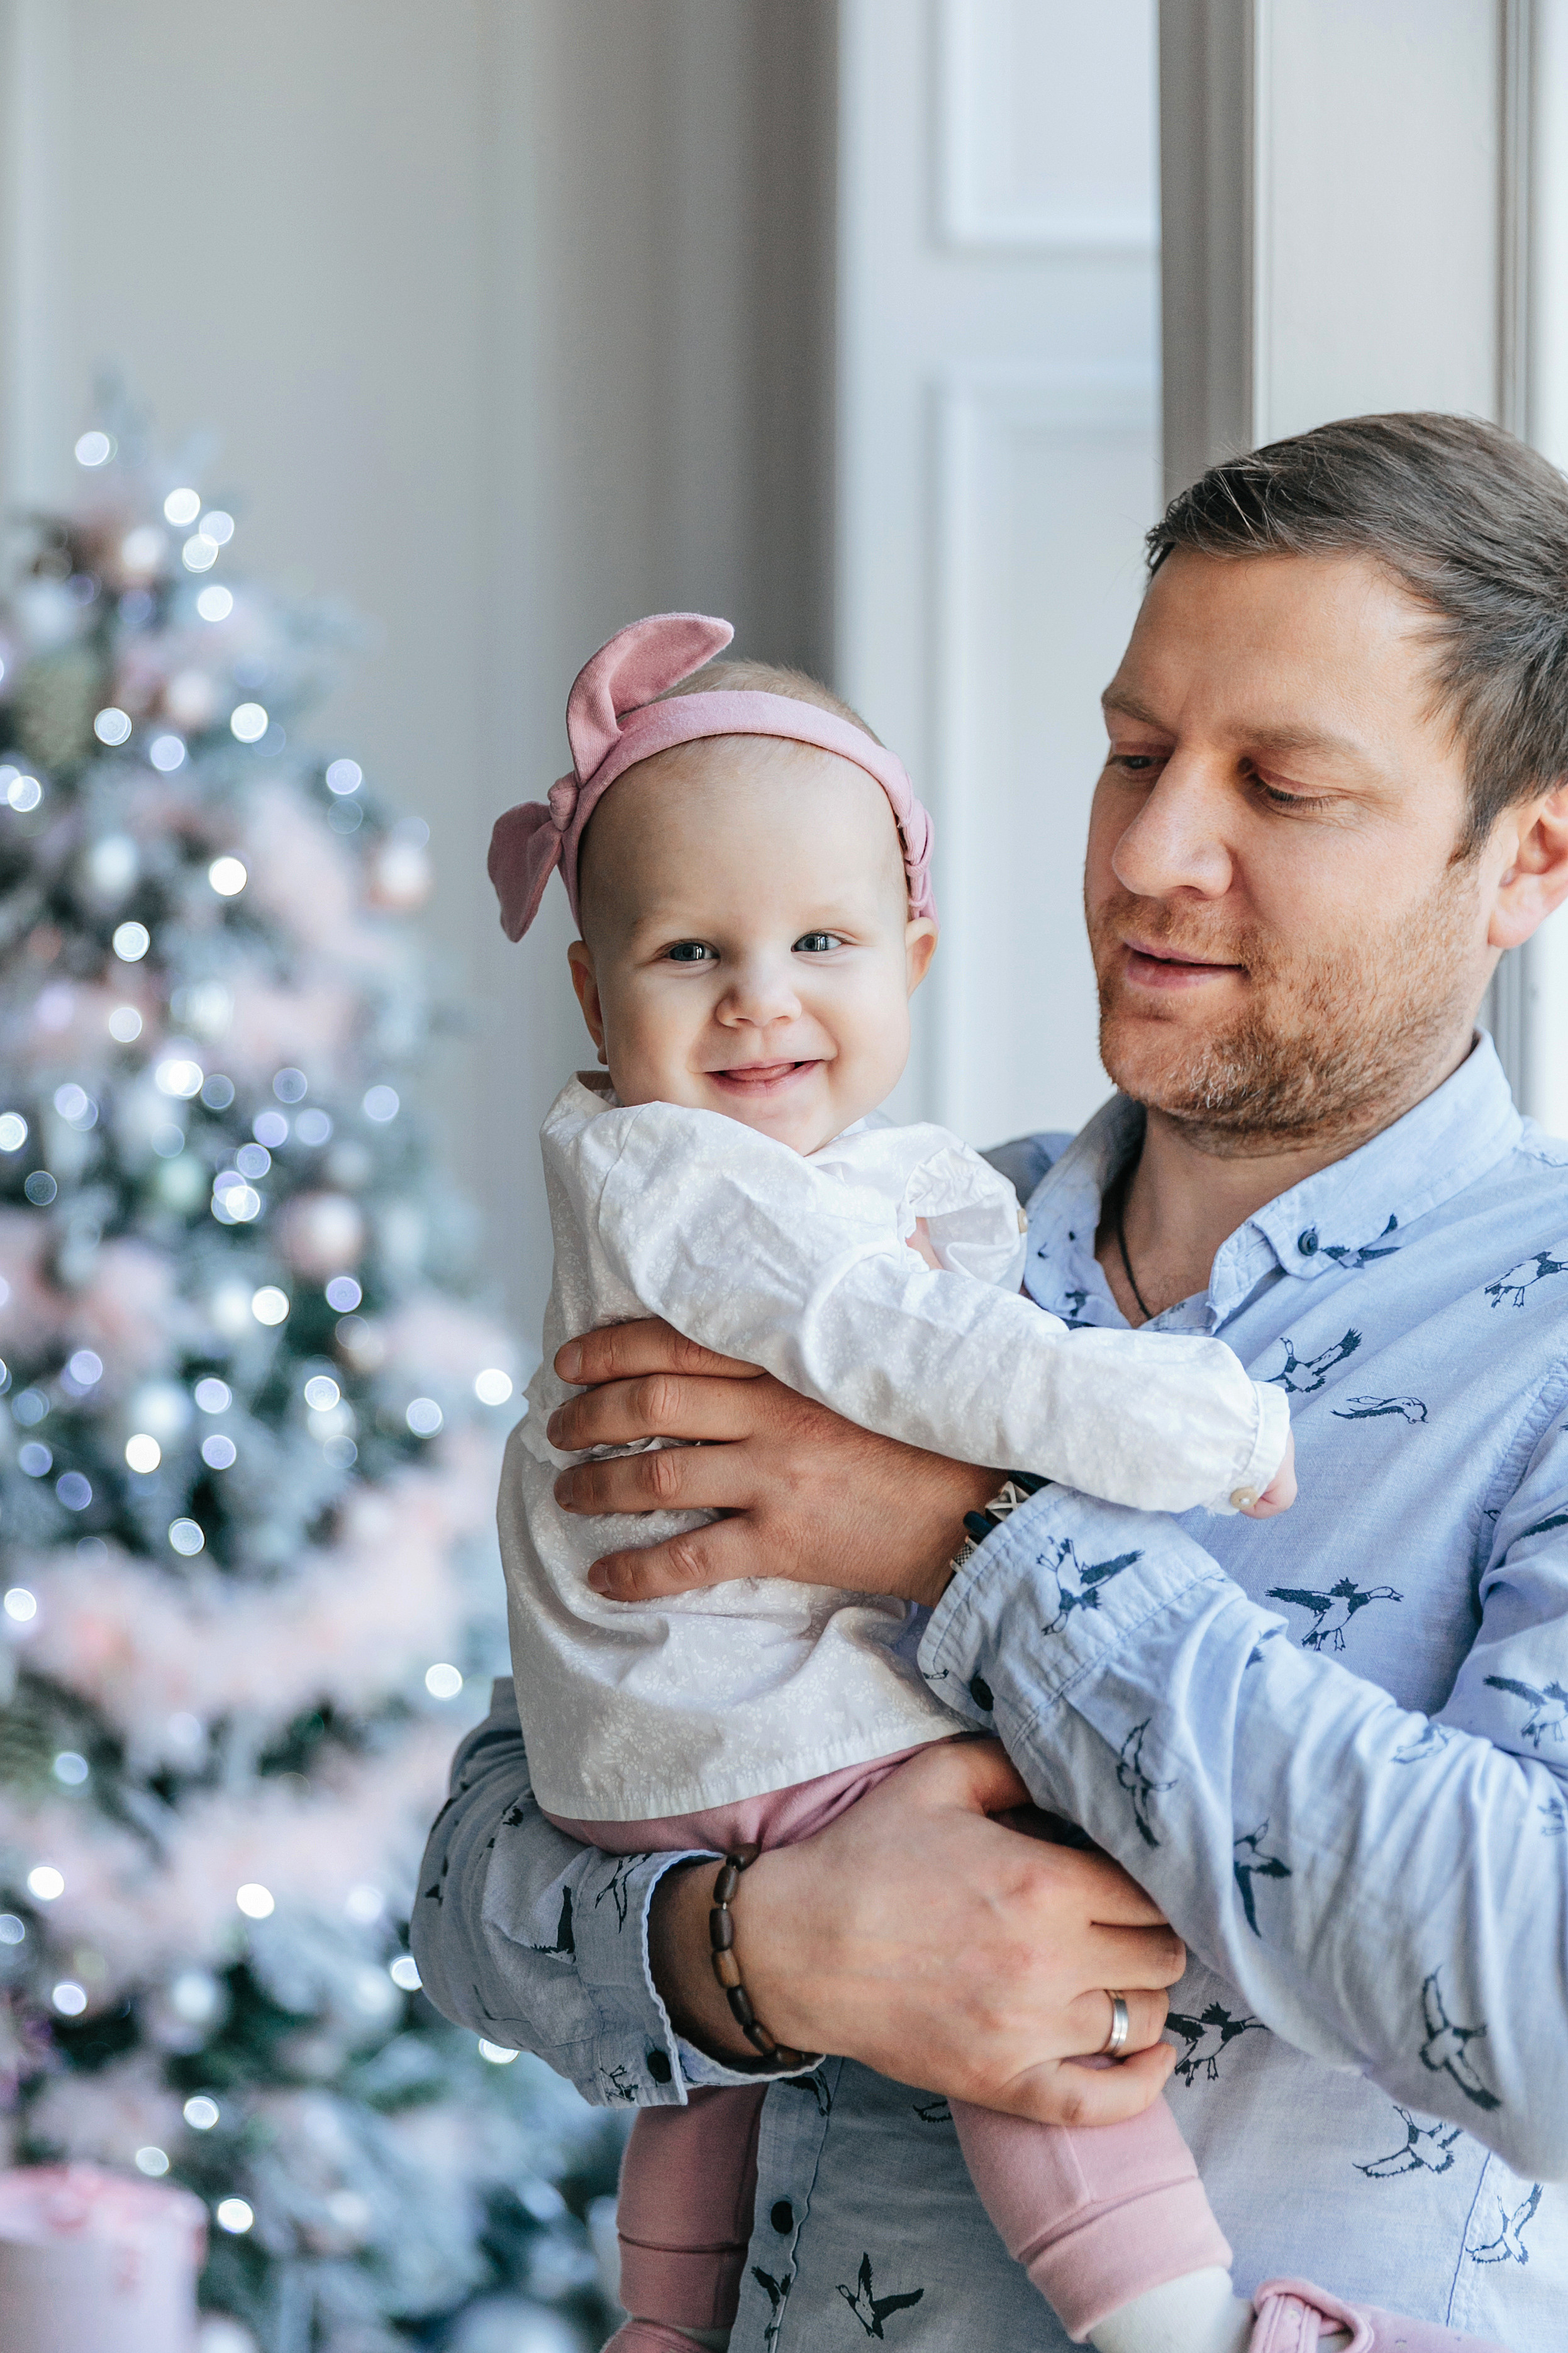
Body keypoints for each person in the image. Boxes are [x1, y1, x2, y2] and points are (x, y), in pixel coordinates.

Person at [413, 413, 1568, 2351]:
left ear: (1525, 857)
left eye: (1278, 784)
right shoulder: (869, 1239)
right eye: (1134, 753)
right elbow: (472, 1875)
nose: (1149, 851)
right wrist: (761, 1952)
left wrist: (967, 1534)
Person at [486, 608, 1308, 2353]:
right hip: (751, 1739)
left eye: (819, 940)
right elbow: (923, 1358)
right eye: (691, 950)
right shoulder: (731, 1200)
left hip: (659, 1752)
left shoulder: (840, 1187)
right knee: (1016, 1915)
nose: (761, 998)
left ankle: (668, 2316)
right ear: (590, 987)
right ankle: (1164, 2314)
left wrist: (930, 1524)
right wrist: (1195, 1425)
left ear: (913, 955)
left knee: (739, 2070)